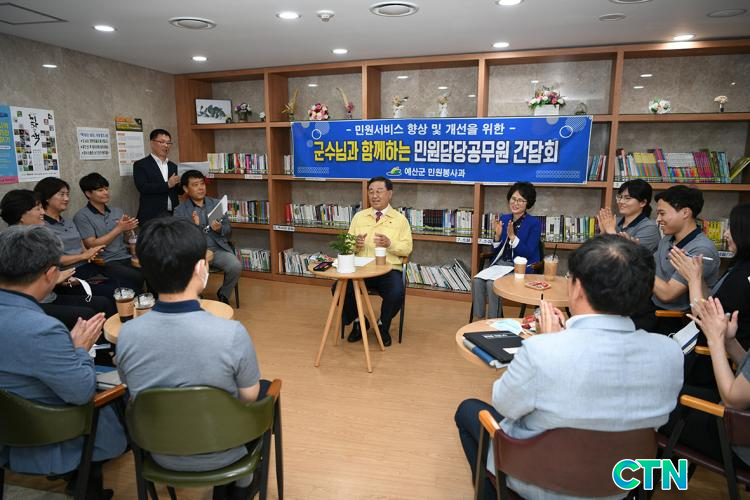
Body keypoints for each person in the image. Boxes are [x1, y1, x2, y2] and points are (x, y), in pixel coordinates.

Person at [455, 235, 683, 500]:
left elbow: (505, 405)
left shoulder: (542, 351)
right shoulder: (670, 353)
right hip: (619, 484)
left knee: (468, 410)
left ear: (577, 288)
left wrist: (549, 343)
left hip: (538, 479)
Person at [116, 218, 264, 500]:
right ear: (200, 268)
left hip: (159, 452)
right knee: (264, 393)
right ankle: (242, 482)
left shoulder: (127, 334)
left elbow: (133, 390)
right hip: (226, 449)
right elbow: (249, 397)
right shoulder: (230, 333)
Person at [0, 225, 127, 499]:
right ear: (50, 275)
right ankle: (87, 484)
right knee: (120, 390)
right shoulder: (43, 329)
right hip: (44, 431)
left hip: (7, 424)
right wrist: (79, 350)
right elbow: (81, 392)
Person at [1, 189, 115, 329]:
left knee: (103, 303)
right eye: (38, 208)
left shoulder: (37, 236)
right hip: (32, 304)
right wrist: (55, 279)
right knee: (88, 315)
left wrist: (60, 279)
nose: (43, 212)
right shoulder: (11, 244)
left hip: (51, 294)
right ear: (21, 215)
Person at [659, 297, 750, 470]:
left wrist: (715, 339)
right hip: (737, 422)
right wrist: (729, 341)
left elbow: (733, 401)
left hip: (737, 441)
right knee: (662, 389)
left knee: (650, 401)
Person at [634, 185, 721, 334]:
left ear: (685, 213)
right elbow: (652, 270)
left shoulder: (701, 250)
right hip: (650, 306)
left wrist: (635, 260)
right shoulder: (667, 239)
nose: (658, 220)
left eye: (662, 213)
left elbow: (667, 294)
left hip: (672, 320)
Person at [342, 176, 412, 347]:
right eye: (371, 192)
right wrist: (355, 245)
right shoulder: (359, 217)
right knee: (339, 288)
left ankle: (383, 325)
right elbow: (346, 246)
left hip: (388, 270)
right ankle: (359, 321)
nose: (374, 196)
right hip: (361, 270)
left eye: (379, 191)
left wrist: (390, 244)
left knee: (397, 292)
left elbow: (407, 249)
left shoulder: (400, 220)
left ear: (390, 194)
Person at [670, 203, 750, 349]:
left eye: (731, 228)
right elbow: (712, 301)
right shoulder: (740, 265)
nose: (725, 234)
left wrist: (693, 279)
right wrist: (698, 276)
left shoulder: (743, 275)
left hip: (715, 351)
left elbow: (704, 320)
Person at [34, 177, 118, 301]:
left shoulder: (68, 221)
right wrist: (83, 256)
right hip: (67, 274)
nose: (66, 199)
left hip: (87, 268)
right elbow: (54, 260)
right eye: (62, 195)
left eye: (67, 195)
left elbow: (82, 248)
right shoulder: (40, 226)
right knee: (112, 294)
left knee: (124, 285)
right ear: (47, 197)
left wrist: (91, 253)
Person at [471, 182, 541, 320]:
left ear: (528, 203)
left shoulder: (534, 224)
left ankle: (493, 321)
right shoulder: (504, 219)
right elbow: (496, 252)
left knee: (492, 284)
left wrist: (513, 237)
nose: (515, 203)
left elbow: (529, 253)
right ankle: (478, 319)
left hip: (520, 267)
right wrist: (497, 237)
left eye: (520, 200)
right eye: (513, 199)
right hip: (501, 264)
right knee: (477, 280)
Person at [174, 170, 242, 304]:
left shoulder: (217, 204)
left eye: (202, 184)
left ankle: (224, 294)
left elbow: (228, 230)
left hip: (217, 249)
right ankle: (196, 296)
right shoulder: (180, 211)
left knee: (235, 266)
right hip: (194, 252)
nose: (200, 188)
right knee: (189, 270)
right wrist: (195, 226)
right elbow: (179, 238)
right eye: (195, 185)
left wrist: (220, 229)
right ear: (186, 189)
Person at [73, 173, 144, 293]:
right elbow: (92, 245)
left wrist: (128, 229)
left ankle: (157, 300)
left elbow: (127, 240)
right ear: (88, 193)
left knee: (154, 269)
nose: (106, 192)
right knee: (137, 276)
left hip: (126, 256)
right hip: (105, 262)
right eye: (100, 190)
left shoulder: (117, 211)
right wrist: (119, 229)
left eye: (106, 189)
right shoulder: (82, 216)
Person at [596, 179, 660, 253]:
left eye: (627, 198)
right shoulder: (615, 221)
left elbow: (626, 256)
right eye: (619, 197)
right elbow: (598, 252)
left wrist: (610, 231)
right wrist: (603, 233)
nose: (621, 201)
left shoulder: (650, 228)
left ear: (643, 202)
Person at [133, 128, 181, 223]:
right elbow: (143, 187)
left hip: (172, 215)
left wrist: (184, 183)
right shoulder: (141, 165)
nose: (166, 145)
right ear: (152, 143)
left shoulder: (173, 166)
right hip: (151, 216)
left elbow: (179, 192)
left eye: (168, 143)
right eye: (162, 142)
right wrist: (167, 184)